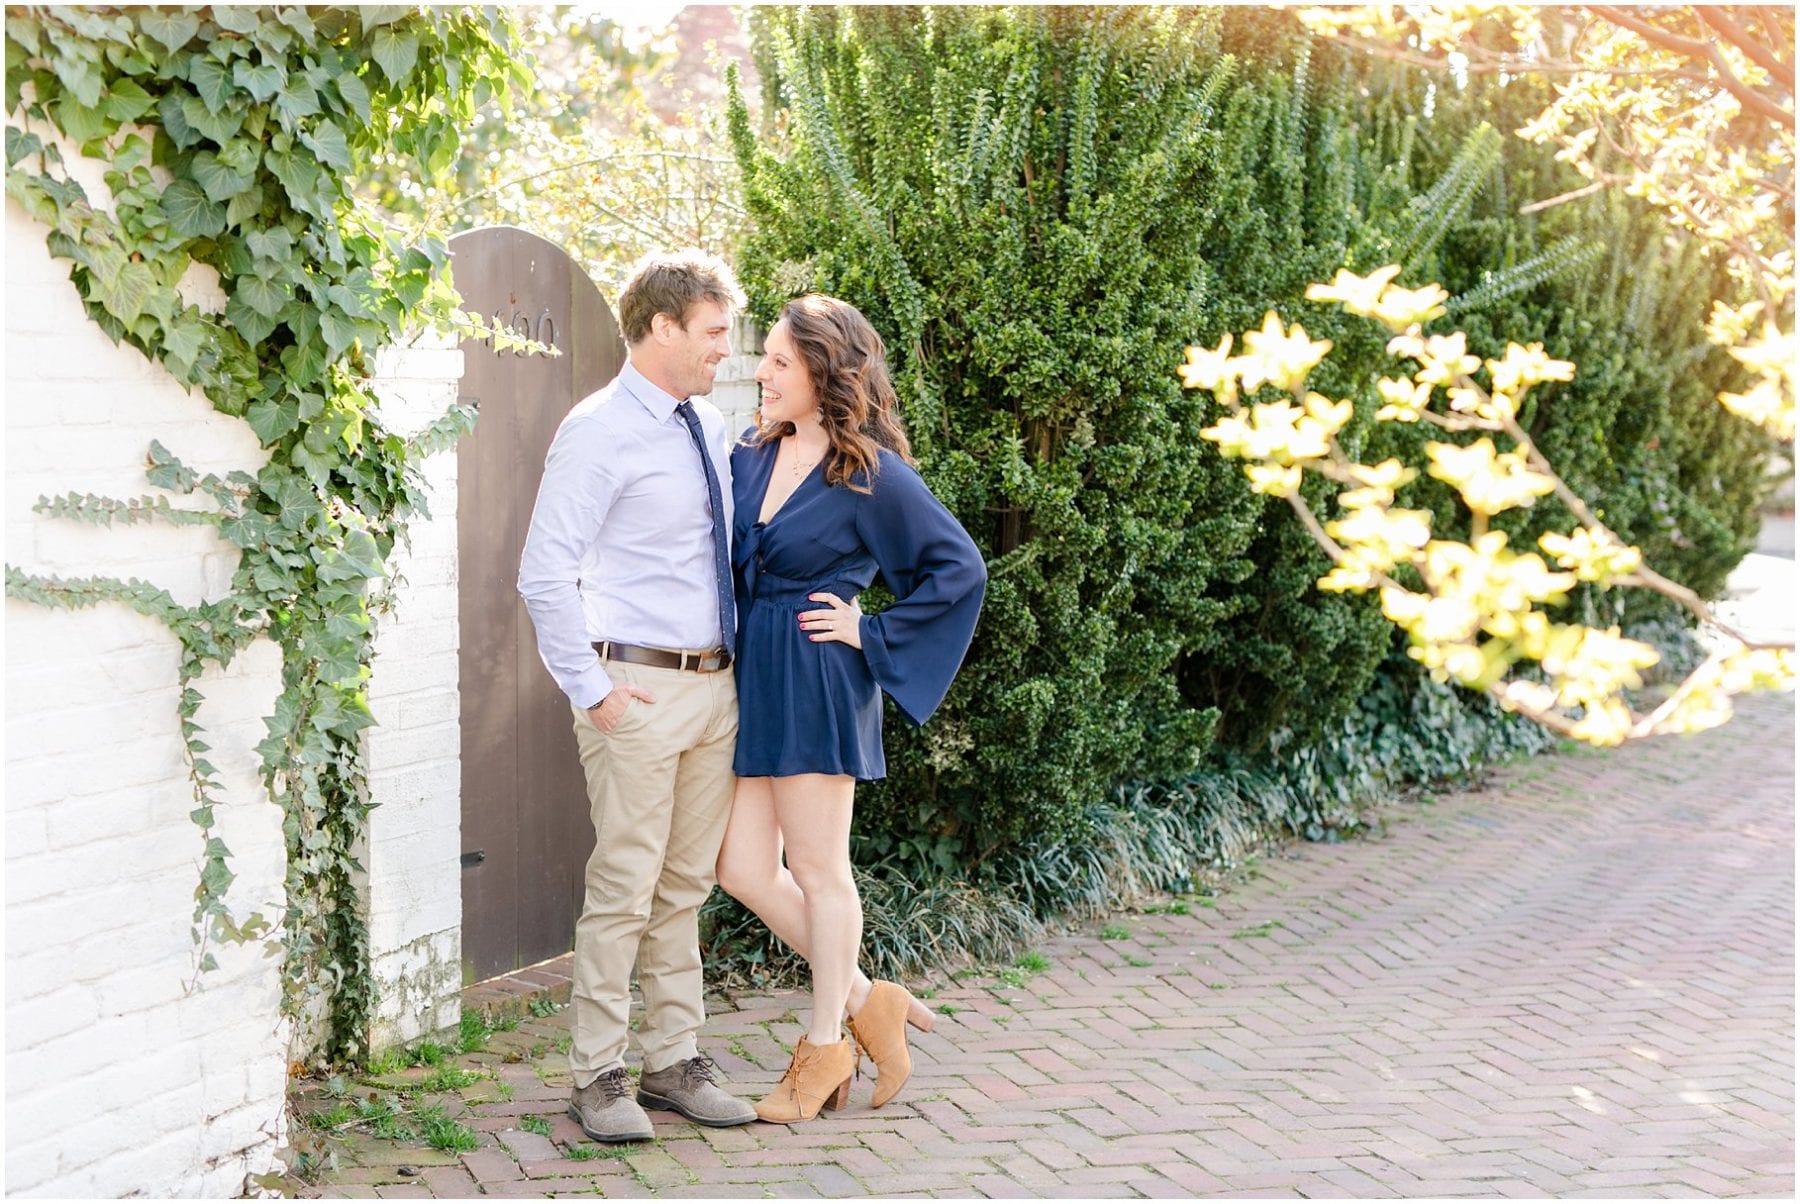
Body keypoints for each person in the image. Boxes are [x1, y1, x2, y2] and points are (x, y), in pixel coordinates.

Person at [714, 294, 988, 1123]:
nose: (761, 373)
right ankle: (875, 1004)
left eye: (779, 363)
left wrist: (871, 632)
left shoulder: (869, 474)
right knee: (741, 868)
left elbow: (958, 569)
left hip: (820, 677)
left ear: (826, 374)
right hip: (756, 674)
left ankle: (826, 1045)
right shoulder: (751, 456)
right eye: (762, 357)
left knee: (821, 871)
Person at [516, 250, 757, 1143]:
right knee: (624, 884)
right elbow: (544, 574)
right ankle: (597, 1075)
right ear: (660, 327)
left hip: (714, 687)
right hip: (639, 691)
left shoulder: (705, 422)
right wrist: (595, 694)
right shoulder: (600, 428)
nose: (724, 351)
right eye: (712, 333)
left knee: (686, 884)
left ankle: (673, 1061)